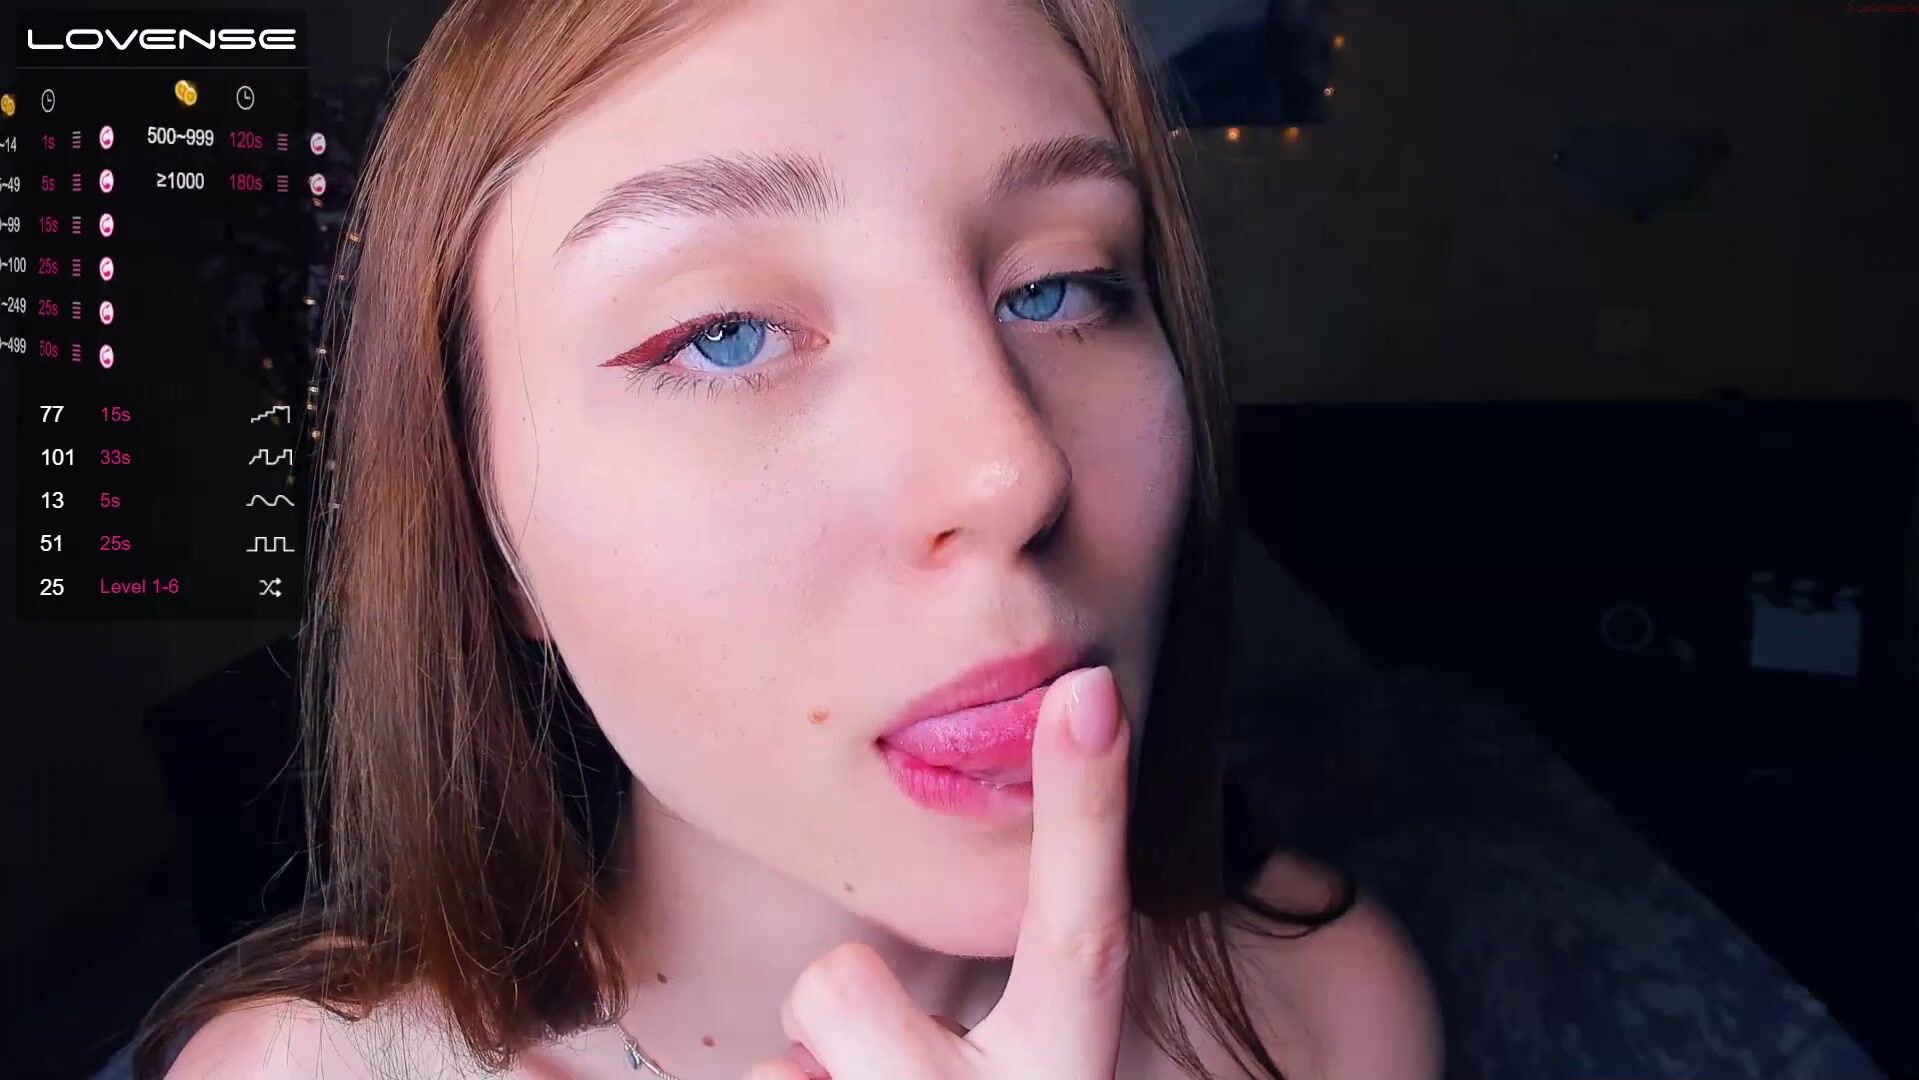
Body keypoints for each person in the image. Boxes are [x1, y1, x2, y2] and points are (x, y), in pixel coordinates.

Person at [141, 0, 1441, 1076]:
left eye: (1058, 289)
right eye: (726, 335)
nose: (1011, 471)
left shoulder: (1323, 1010)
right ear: (487, 541)